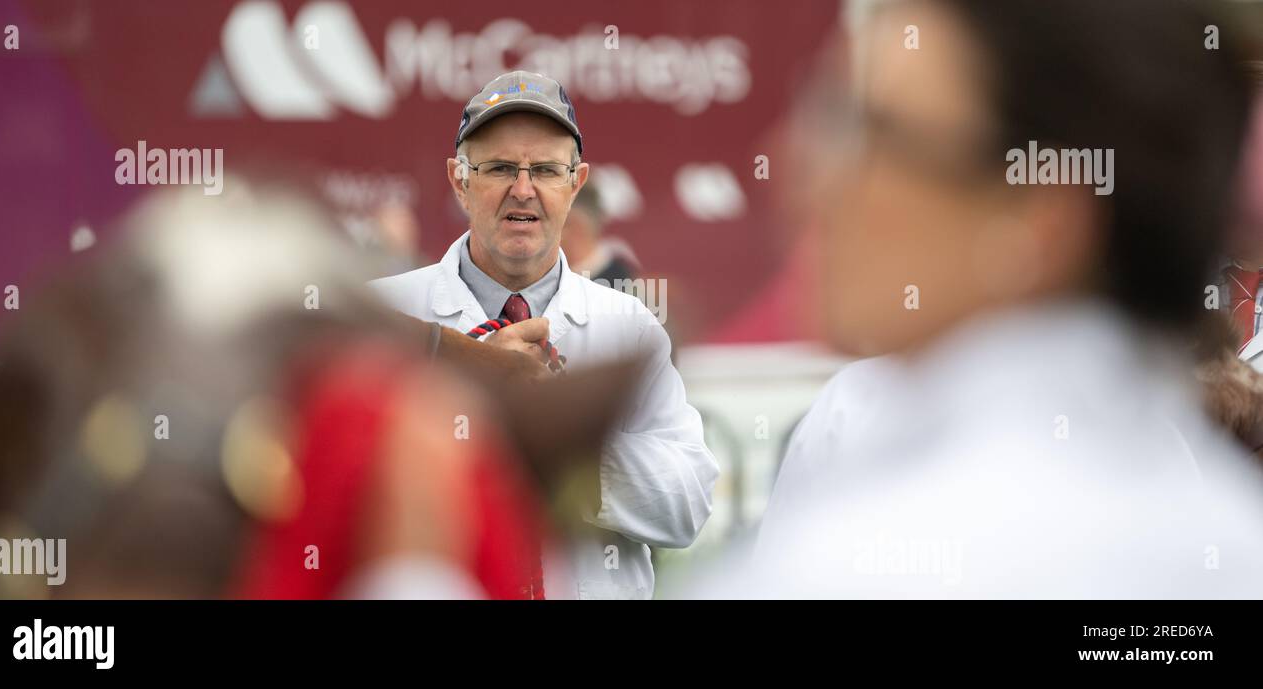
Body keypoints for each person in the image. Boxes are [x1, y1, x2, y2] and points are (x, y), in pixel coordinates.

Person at [742, 0, 1263, 598]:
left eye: (875, 132)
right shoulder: (1221, 529)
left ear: (1038, 221)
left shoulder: (844, 567)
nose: (801, 172)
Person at [370, 71, 718, 599]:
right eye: (501, 168)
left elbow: (687, 506)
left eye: (547, 170)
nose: (524, 189)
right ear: (459, 180)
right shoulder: (384, 312)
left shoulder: (631, 328)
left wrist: (558, 433)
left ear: (575, 184)